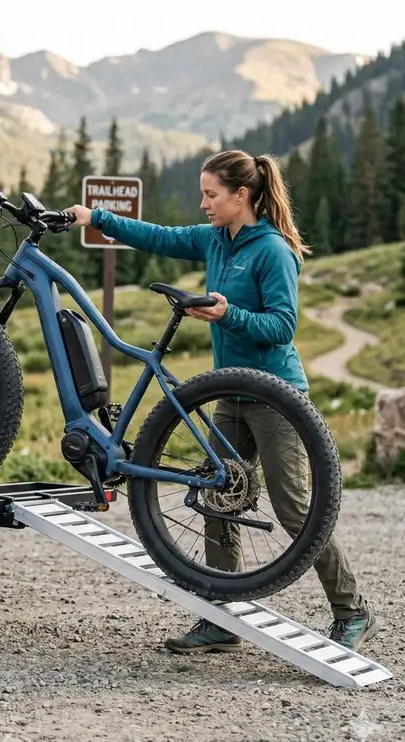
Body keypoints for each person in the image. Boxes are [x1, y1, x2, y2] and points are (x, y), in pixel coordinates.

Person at [64, 149, 378, 653]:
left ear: (241, 195)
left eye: (211, 194)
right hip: (229, 395)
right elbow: (159, 236)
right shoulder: (214, 239)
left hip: (275, 397)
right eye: (202, 194)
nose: (204, 203)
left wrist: (229, 314)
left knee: (295, 510)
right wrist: (95, 217)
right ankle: (222, 618)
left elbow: (282, 326)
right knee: (217, 495)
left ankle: (352, 609)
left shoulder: (272, 250)